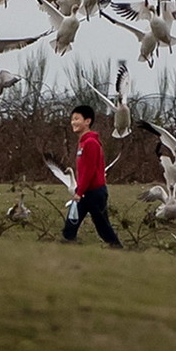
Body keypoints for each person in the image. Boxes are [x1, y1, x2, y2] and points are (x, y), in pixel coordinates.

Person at [62, 103, 120, 247]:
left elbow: (90, 170)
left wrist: (79, 192)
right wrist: (80, 190)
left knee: (102, 225)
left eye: (77, 119)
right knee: (71, 223)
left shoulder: (91, 143)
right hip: (84, 191)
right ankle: (67, 245)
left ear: (87, 121)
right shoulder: (81, 143)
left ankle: (117, 247)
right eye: (72, 119)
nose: (73, 122)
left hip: (94, 192)